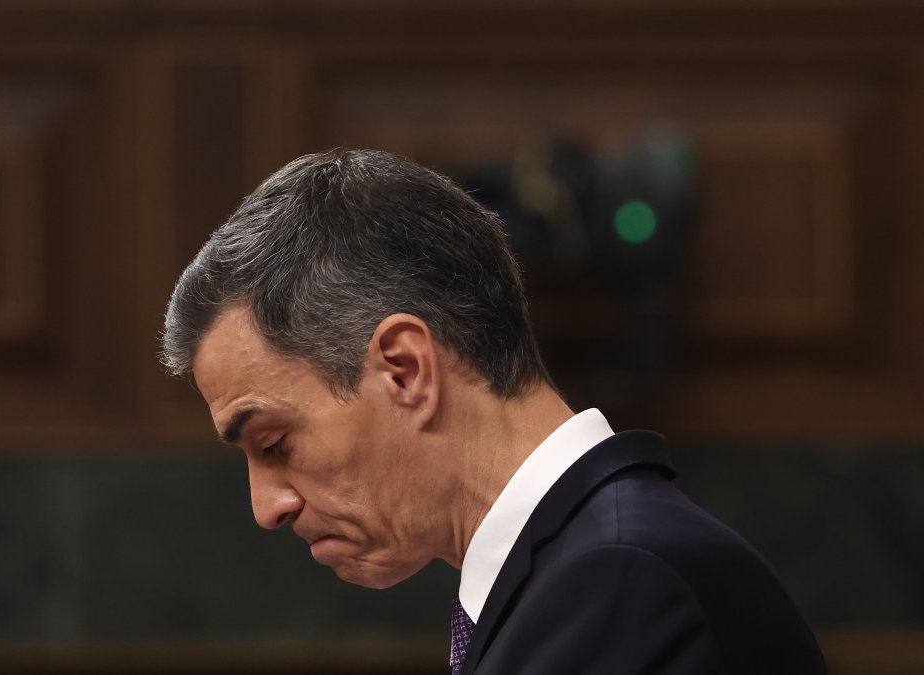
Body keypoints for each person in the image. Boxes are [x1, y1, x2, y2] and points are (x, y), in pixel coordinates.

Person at [160, 148, 826, 674]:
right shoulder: (582, 575)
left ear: (405, 369)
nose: (266, 507)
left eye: (274, 443)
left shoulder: (622, 581)